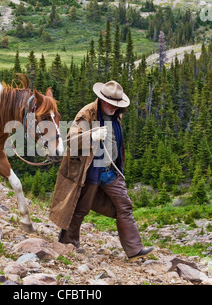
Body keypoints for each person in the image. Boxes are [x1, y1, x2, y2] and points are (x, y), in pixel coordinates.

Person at [50, 80, 154, 262]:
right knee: (79, 208)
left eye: (117, 105)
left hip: (111, 171)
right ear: (101, 99)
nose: (114, 108)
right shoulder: (86, 114)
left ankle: (135, 250)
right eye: (111, 104)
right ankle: (69, 244)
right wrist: (91, 135)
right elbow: (71, 142)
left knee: (124, 206)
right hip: (89, 170)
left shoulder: (116, 115)